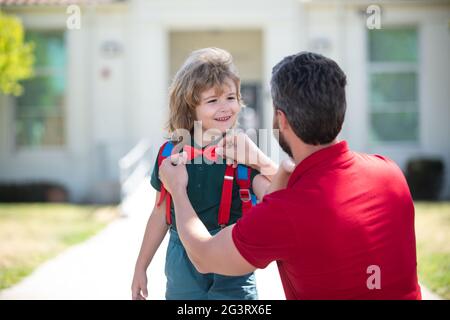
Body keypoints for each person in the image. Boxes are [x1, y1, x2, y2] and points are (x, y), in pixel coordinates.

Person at [158, 52, 422, 300]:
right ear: (339, 114)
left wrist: (178, 190)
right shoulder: (389, 172)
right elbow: (304, 179)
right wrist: (261, 161)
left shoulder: (284, 212)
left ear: (281, 119)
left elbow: (204, 257)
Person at [131, 48, 276, 300]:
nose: (225, 107)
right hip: (182, 259)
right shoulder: (170, 154)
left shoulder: (243, 150)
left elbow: (277, 194)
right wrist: (141, 266)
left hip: (232, 254)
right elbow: (160, 214)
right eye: (212, 101)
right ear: (190, 107)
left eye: (230, 97)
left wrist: (261, 161)